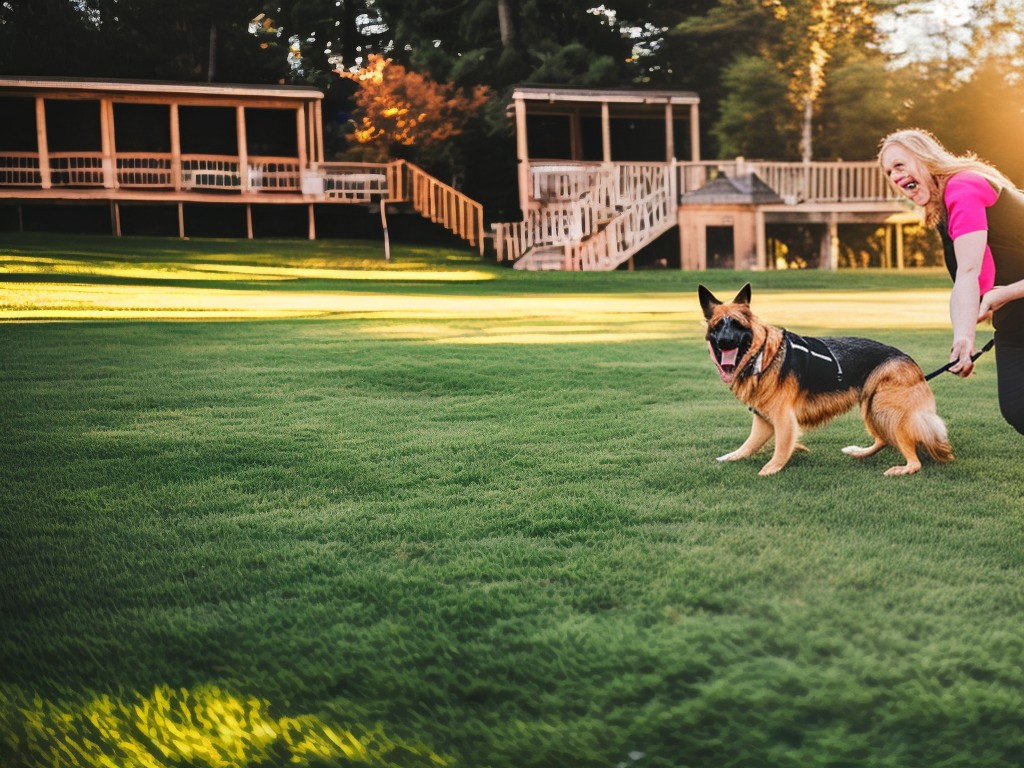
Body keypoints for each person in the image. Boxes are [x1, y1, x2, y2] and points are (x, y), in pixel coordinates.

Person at [878, 128, 1024, 434]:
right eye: (889, 172)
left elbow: (969, 274)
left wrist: (1007, 293)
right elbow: (970, 277)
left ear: (925, 158)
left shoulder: (963, 187)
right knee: (1018, 408)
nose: (895, 176)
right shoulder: (944, 210)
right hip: (1015, 321)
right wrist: (964, 338)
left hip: (1016, 306)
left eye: (900, 165)